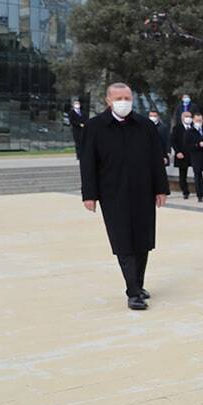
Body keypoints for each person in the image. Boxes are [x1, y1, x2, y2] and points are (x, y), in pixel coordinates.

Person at [79, 83, 169, 310]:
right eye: (118, 97)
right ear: (108, 100)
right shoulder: (94, 127)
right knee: (123, 242)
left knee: (143, 240)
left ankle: (138, 284)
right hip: (112, 194)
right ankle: (132, 291)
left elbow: (156, 160)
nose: (124, 102)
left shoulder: (145, 126)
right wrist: (89, 195)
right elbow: (88, 163)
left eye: (127, 97)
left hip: (143, 192)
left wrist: (161, 189)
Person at [171, 112, 194, 199]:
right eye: (186, 116)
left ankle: (201, 190)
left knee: (197, 172)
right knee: (183, 174)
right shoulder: (177, 128)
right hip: (182, 154)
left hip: (193, 154)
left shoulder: (194, 127)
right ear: (182, 118)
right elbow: (173, 141)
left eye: (189, 116)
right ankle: (185, 191)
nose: (188, 118)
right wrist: (177, 152)